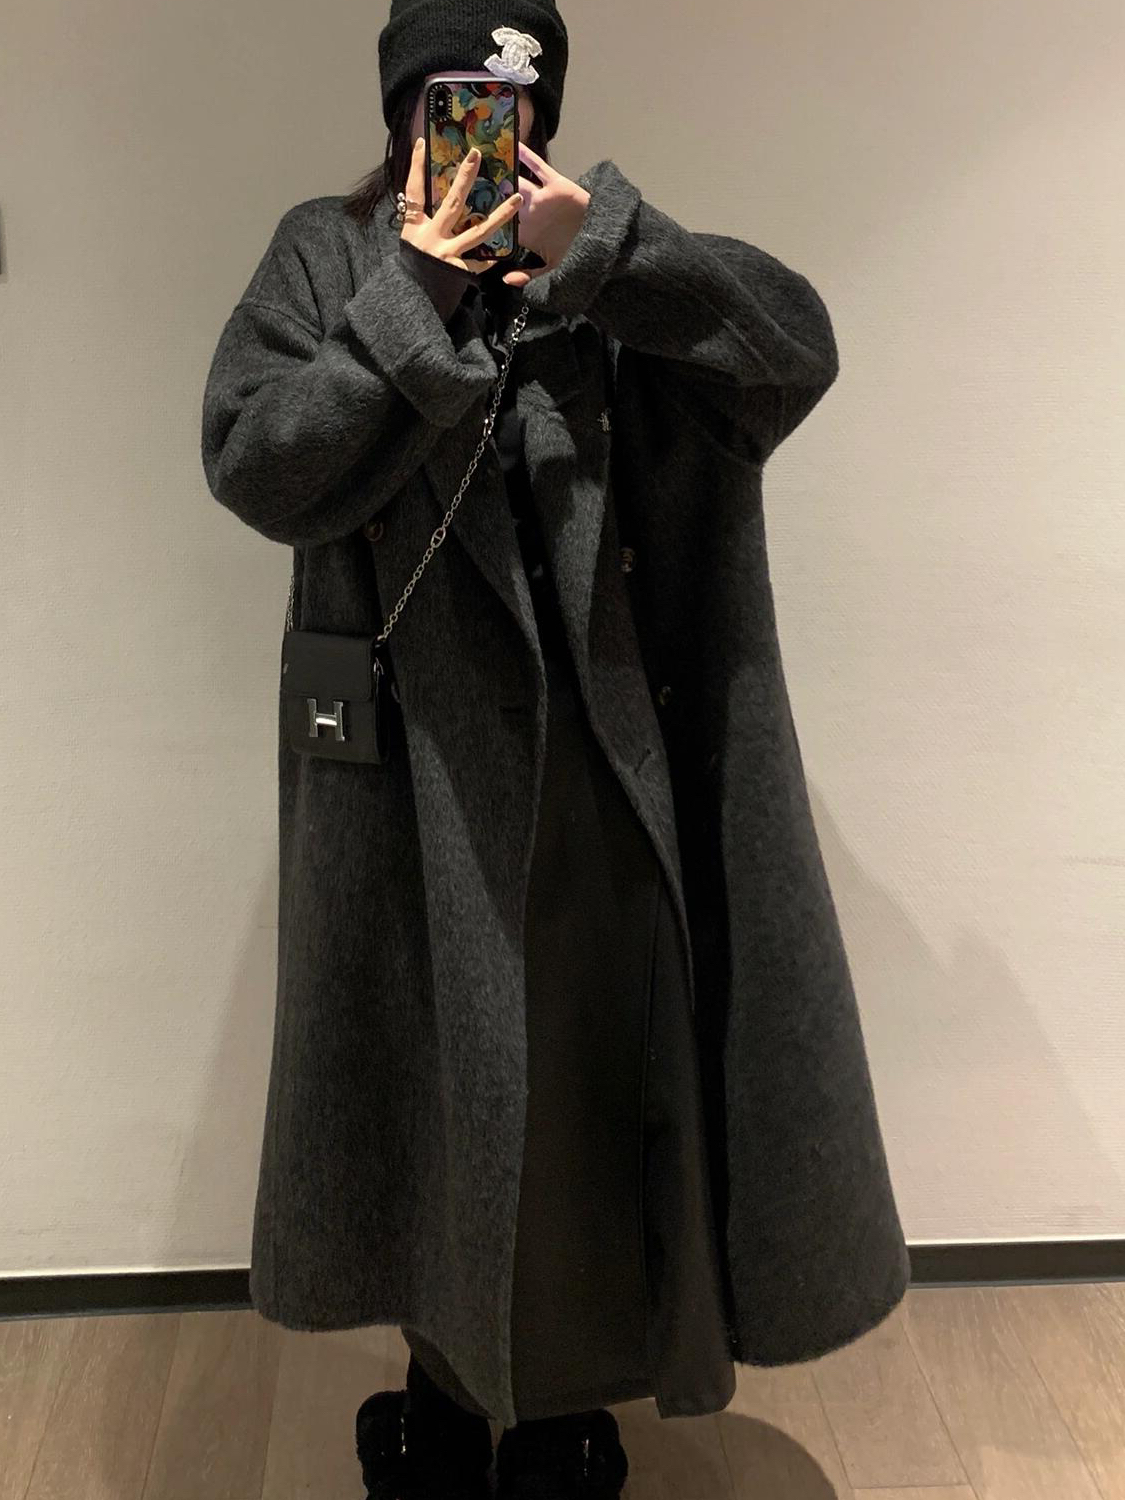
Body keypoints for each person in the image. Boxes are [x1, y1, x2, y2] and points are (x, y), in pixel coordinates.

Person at [200, 0, 912, 1496]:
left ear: (545, 117)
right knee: (443, 1096)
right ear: (399, 110)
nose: (477, 133)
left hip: (607, 774)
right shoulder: (327, 257)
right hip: (417, 789)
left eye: (508, 105)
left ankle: (565, 1403)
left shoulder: (596, 265)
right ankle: (445, 1402)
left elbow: (791, 352)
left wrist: (613, 257)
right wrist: (411, 298)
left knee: (583, 1092)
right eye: (448, 102)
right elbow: (258, 465)